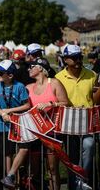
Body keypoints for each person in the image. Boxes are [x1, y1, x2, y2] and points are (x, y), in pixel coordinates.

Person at [55, 44, 97, 189]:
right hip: (69, 122)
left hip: (88, 121)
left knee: (89, 145)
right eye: (74, 58)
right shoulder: (58, 77)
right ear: (66, 59)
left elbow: (95, 98)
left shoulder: (92, 75)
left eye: (80, 57)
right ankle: (75, 185)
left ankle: (83, 179)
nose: (78, 61)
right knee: (72, 155)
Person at [26, 58, 69, 190]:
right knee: (34, 169)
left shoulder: (54, 83)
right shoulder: (28, 87)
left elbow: (66, 102)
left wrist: (51, 104)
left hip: (52, 131)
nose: (29, 69)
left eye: (32, 66)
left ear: (40, 68)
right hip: (34, 132)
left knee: (52, 168)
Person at [0, 60, 30, 189]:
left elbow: (27, 105)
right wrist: (2, 114)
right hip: (1, 125)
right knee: (7, 153)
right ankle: (9, 181)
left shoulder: (20, 86)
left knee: (21, 149)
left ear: (10, 75)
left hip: (18, 124)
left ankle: (13, 178)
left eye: (0, 72)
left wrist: (10, 111)